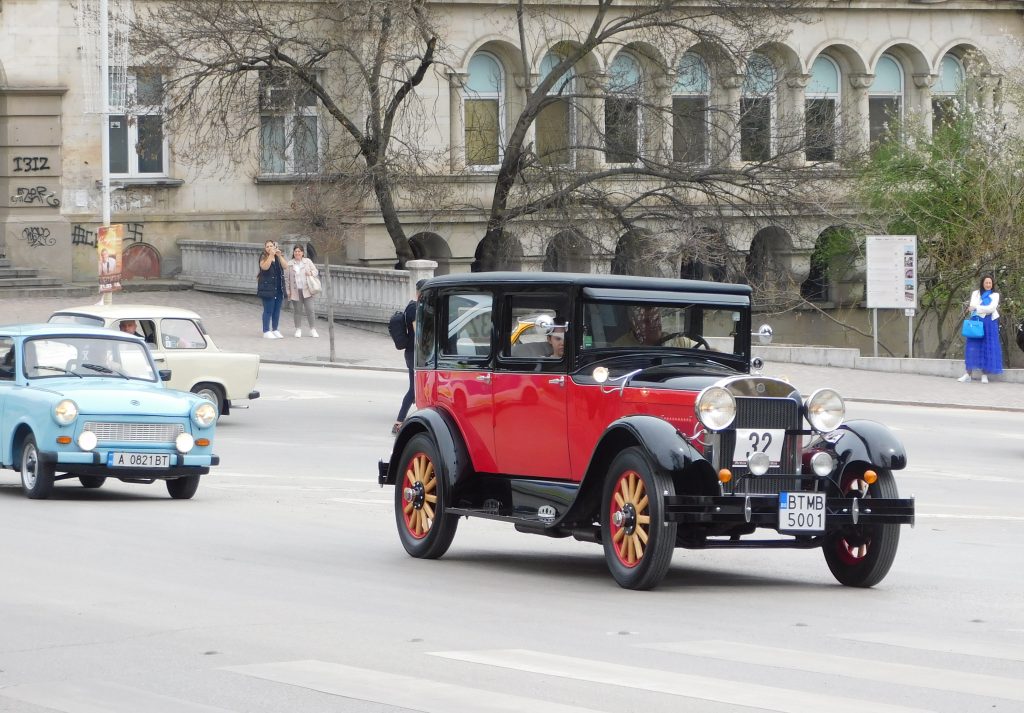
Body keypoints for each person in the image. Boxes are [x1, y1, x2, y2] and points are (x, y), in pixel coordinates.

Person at [393, 279, 425, 435]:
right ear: (419, 292)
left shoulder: (419, 306)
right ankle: (398, 423)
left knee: (419, 389)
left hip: (416, 353)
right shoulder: (413, 308)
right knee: (414, 389)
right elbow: (418, 332)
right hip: (413, 353)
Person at [958, 273, 1002, 383]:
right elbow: (972, 306)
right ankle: (968, 374)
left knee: (987, 348)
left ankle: (984, 375)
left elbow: (991, 308)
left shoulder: (995, 295)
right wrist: (980, 308)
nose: (988, 284)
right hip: (976, 322)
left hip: (990, 322)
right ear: (982, 283)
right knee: (972, 347)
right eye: (986, 282)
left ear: (992, 284)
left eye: (990, 283)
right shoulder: (976, 293)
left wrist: (977, 307)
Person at [285, 245, 320, 338]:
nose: (297, 253)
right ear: (293, 253)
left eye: (299, 251)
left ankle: (312, 329)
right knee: (297, 311)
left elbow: (316, 271)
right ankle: (298, 329)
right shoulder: (290, 264)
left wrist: (311, 273)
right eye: (295, 251)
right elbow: (287, 279)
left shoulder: (307, 261)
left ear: (302, 253)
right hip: (296, 291)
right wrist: (288, 291)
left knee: (310, 309)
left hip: (307, 290)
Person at [257, 240, 287, 338]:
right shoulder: (263, 256)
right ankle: (266, 331)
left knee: (276, 310)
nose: (270, 248)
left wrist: (279, 256)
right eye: (268, 246)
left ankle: (275, 329)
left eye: (271, 246)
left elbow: (285, 266)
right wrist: (270, 255)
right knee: (268, 310)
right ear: (265, 248)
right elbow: (265, 267)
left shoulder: (277, 256)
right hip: (267, 288)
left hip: (278, 287)